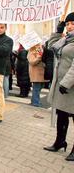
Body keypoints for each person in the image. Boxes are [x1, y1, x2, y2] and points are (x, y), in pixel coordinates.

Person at [44, 12, 74, 161]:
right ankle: (59, 142)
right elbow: (51, 46)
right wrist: (58, 31)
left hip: (71, 86)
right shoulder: (66, 40)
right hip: (61, 85)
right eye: (67, 24)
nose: (69, 26)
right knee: (61, 115)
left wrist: (66, 83)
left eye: (72, 23)